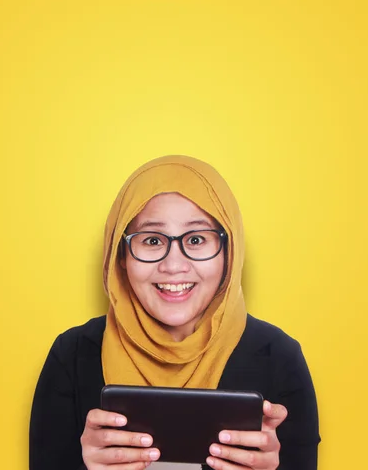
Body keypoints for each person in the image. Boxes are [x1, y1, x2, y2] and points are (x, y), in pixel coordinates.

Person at [30, 155, 320, 470]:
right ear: (121, 255)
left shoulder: (279, 358)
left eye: (196, 239)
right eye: (152, 240)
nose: (174, 265)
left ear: (229, 251)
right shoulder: (71, 356)